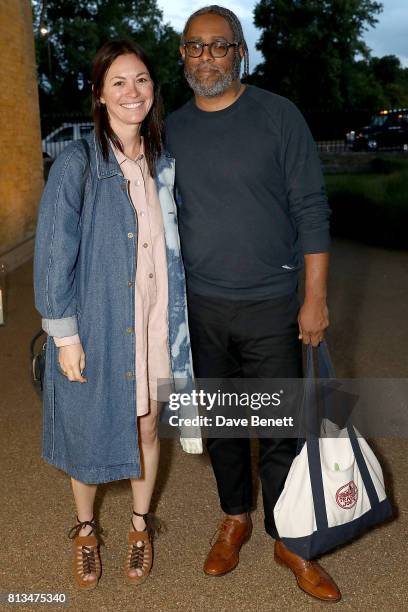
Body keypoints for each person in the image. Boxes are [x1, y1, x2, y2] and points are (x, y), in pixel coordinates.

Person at [165, 5, 341, 603]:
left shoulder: (277, 115)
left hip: (271, 303)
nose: (206, 56)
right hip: (200, 307)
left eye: (218, 45)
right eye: (194, 47)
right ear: (183, 57)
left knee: (281, 426)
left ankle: (289, 537)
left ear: (240, 51)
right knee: (222, 427)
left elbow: (312, 210)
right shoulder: (175, 129)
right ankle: (234, 518)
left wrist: (313, 299)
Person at [34, 39, 201, 591]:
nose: (134, 92)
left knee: (147, 425)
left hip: (153, 321)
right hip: (100, 322)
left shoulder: (163, 163)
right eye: (119, 83)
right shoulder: (78, 163)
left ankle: (138, 525)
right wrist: (64, 336)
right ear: (100, 96)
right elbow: (55, 253)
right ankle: (85, 530)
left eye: (143, 80)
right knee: (89, 431)